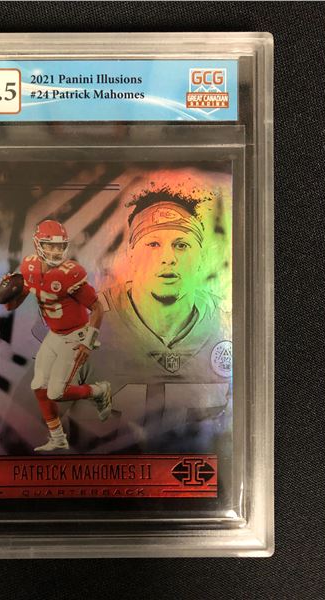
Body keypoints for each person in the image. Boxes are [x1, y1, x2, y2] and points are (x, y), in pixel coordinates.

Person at [67, 187, 233, 454]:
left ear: (201, 257)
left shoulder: (229, 326)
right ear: (131, 255)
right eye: (153, 244)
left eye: (181, 245)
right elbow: (28, 429)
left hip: (200, 477)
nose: (168, 258)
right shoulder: (84, 323)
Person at [1, 219, 111, 452]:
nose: (55, 251)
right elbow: (13, 305)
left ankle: (99, 391)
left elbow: (98, 308)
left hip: (76, 335)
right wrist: (9, 294)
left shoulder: (69, 274)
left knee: (57, 392)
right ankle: (58, 438)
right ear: (37, 245)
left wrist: (88, 343)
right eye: (50, 245)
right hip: (55, 334)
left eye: (59, 246)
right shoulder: (29, 267)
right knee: (39, 386)